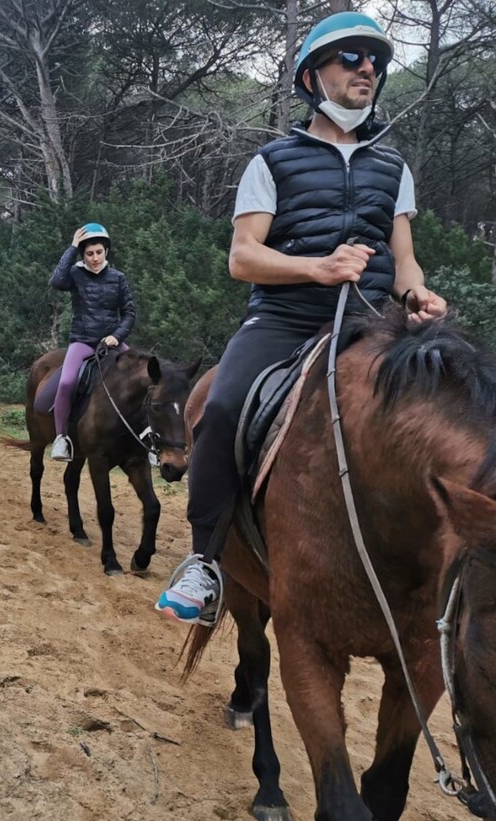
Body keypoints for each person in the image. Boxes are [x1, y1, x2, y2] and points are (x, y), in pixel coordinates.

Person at [156, 11, 448, 627]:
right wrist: (319, 268)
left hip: (373, 326)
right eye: (351, 58)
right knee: (221, 410)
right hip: (285, 321)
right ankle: (204, 564)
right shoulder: (273, 161)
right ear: (313, 77)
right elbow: (243, 257)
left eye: (375, 62)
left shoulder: (393, 167)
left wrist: (419, 294)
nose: (367, 69)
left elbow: (404, 264)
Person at [47, 222, 137, 462]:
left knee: (141, 379)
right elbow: (56, 281)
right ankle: (61, 439)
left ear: (106, 251)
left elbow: (129, 313)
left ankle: (144, 440)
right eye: (89, 253)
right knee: (66, 383)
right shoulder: (75, 275)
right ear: (83, 254)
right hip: (83, 341)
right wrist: (72, 246)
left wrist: (117, 336)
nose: (95, 258)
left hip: (112, 343)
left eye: (99, 252)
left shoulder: (118, 278)